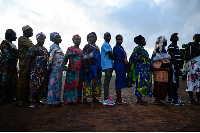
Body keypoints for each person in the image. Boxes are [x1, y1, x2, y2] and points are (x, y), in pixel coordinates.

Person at [26, 32, 49, 107]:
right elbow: (29, 59)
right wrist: (27, 69)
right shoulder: (34, 48)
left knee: (41, 85)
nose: (41, 40)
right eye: (40, 39)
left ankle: (38, 101)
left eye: (43, 39)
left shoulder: (45, 49)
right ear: (37, 39)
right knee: (34, 85)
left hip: (43, 70)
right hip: (35, 70)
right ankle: (33, 102)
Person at [129, 35, 152, 105]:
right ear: (140, 41)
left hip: (144, 69)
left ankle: (140, 98)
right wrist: (142, 60)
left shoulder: (142, 49)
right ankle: (138, 100)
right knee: (139, 83)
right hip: (139, 69)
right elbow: (133, 58)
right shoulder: (137, 49)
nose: (145, 42)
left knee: (143, 83)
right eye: (143, 40)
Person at [63, 34, 83, 105]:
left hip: (80, 69)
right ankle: (70, 99)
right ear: (73, 40)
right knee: (72, 83)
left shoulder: (81, 50)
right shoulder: (71, 49)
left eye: (79, 39)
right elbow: (70, 58)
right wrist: (72, 67)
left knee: (79, 83)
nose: (78, 40)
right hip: (73, 68)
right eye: (76, 39)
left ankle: (77, 98)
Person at [151, 36, 171, 105]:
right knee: (161, 83)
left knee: (157, 83)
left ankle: (157, 99)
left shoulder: (156, 50)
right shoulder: (162, 49)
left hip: (157, 69)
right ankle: (158, 99)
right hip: (162, 69)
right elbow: (165, 59)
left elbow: (153, 59)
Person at [17, 25, 34, 106]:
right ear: (26, 31)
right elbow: (31, 46)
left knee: (27, 82)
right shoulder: (22, 39)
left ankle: (25, 99)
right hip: (24, 63)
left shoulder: (28, 40)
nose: (32, 32)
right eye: (30, 30)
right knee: (23, 82)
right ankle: (20, 100)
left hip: (28, 63)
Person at [82, 32, 101, 104]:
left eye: (93, 37)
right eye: (89, 37)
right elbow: (84, 57)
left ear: (95, 38)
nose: (91, 38)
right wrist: (86, 67)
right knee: (88, 81)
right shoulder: (87, 46)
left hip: (96, 68)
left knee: (95, 82)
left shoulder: (97, 47)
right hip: (89, 67)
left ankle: (94, 97)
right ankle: (85, 98)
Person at [47, 32, 65, 107]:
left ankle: (56, 100)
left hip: (59, 68)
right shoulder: (53, 47)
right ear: (53, 39)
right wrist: (48, 66)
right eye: (57, 37)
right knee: (53, 83)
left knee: (57, 84)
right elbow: (50, 57)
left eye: (60, 37)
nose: (59, 38)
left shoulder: (58, 47)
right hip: (55, 68)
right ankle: (52, 101)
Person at [0, 29, 18, 104]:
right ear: (10, 35)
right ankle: (1, 98)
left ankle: (8, 97)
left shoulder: (13, 45)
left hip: (12, 65)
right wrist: (15, 53)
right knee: (4, 81)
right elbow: (7, 54)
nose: (15, 36)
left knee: (12, 81)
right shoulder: (4, 42)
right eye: (14, 35)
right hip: (5, 65)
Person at [167, 33, 185, 105]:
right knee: (175, 83)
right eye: (173, 37)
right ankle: (174, 100)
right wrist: (177, 69)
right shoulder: (171, 46)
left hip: (174, 66)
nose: (175, 38)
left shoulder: (175, 46)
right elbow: (173, 58)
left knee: (172, 83)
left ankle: (170, 98)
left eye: (176, 36)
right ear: (171, 39)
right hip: (174, 67)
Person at [185, 34, 200, 104]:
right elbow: (186, 57)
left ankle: (198, 99)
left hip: (199, 67)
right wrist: (195, 54)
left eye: (198, 37)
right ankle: (191, 99)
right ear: (193, 38)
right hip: (192, 67)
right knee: (191, 82)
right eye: (195, 37)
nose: (197, 38)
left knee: (199, 83)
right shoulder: (190, 47)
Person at [113, 34, 128, 105]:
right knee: (118, 82)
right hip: (119, 65)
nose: (119, 40)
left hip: (121, 65)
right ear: (116, 40)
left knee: (120, 82)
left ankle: (118, 99)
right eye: (118, 39)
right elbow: (120, 57)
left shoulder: (121, 47)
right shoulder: (116, 48)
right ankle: (119, 100)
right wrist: (127, 63)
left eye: (120, 39)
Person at [101, 32, 115, 105]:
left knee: (107, 82)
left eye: (109, 36)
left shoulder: (108, 44)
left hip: (109, 65)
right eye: (107, 36)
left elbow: (111, 55)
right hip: (107, 65)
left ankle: (107, 98)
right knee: (106, 82)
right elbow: (111, 54)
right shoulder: (105, 45)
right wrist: (113, 55)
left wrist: (112, 55)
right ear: (104, 37)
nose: (108, 37)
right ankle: (105, 99)